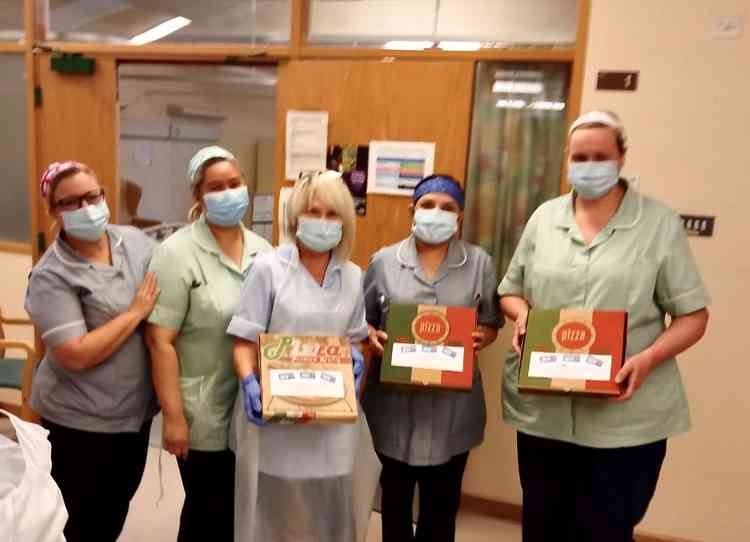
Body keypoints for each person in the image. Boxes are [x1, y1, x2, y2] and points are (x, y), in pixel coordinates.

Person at [497, 110, 710, 542]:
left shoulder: (658, 224)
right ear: (566, 159)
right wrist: (522, 316)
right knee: (542, 529)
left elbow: (693, 316)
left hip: (625, 420)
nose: (589, 166)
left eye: (600, 156)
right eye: (580, 157)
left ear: (621, 157)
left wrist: (648, 358)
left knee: (605, 532)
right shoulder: (544, 218)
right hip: (546, 415)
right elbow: (510, 290)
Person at [227, 170, 379, 542]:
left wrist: (358, 362)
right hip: (277, 415)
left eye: (333, 214)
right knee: (275, 515)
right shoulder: (268, 269)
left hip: (332, 418)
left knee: (329, 512)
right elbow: (245, 339)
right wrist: (249, 382)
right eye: (314, 212)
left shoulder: (353, 275)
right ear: (295, 218)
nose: (323, 222)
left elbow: (358, 338)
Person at [362, 174, 503, 542]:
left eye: (447, 207)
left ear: (460, 216)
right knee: (394, 504)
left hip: (452, 407)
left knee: (441, 508)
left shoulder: (479, 263)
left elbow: (491, 322)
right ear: (412, 209)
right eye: (427, 205)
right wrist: (372, 336)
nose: (436, 213)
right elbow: (365, 322)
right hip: (392, 402)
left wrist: (481, 336)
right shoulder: (383, 261)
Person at [25, 161, 160, 542]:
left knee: (114, 511)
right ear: (54, 211)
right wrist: (135, 313)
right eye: (70, 202)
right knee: (81, 523)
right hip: (78, 424)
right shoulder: (52, 274)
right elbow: (76, 353)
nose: (86, 207)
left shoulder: (132, 242)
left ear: (104, 195)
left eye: (92, 196)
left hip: (132, 417)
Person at [145, 146, 272, 542]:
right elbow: (159, 341)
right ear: (198, 197)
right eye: (216, 187)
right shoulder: (176, 253)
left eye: (235, 184)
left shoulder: (264, 252)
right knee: (207, 509)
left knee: (240, 510)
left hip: (253, 407)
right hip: (201, 410)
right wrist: (175, 417)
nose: (228, 193)